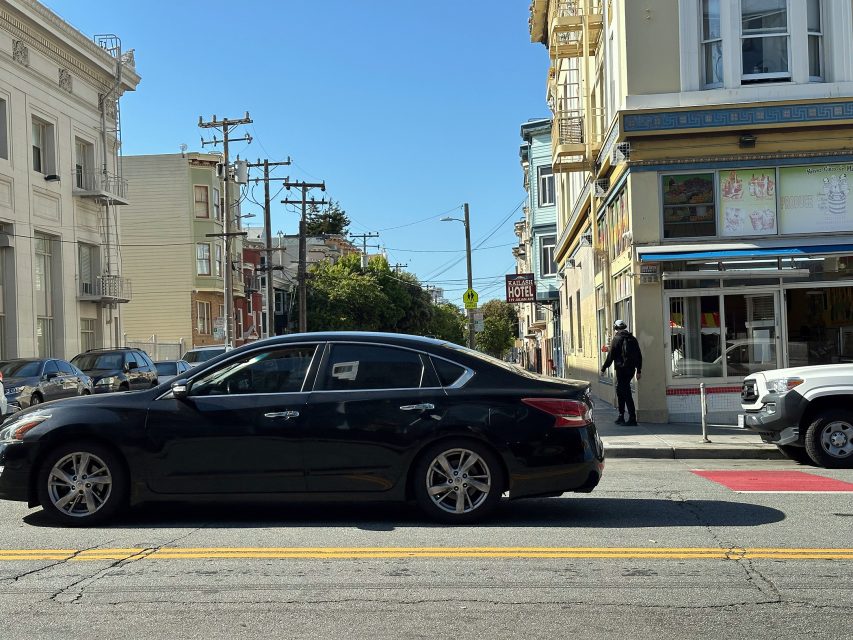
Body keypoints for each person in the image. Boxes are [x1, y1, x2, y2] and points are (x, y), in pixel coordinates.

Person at [600, 319, 642, 426]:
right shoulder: (632, 338)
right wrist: (639, 370)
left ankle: (632, 418)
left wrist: (604, 368)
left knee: (626, 392)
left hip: (621, 369)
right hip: (631, 370)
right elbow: (639, 355)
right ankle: (621, 416)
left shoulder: (616, 339)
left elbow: (611, 356)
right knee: (620, 391)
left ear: (616, 328)